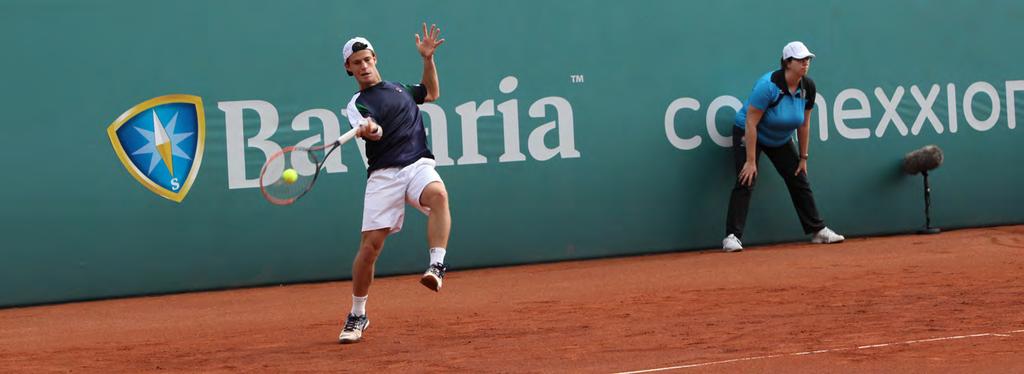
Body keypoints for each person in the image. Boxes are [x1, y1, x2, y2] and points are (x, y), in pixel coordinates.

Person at [337, 23, 450, 344]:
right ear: (349, 68)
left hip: (417, 164)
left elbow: (431, 93)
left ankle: (437, 266)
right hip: (384, 174)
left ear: (375, 59)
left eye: (367, 59)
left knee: (438, 194)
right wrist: (369, 128)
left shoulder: (401, 89)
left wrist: (428, 60)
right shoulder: (357, 103)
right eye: (357, 62)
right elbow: (369, 128)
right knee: (370, 249)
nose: (364, 65)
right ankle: (358, 313)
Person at [722, 41, 845, 252]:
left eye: (808, 59)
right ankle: (731, 237)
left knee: (798, 177)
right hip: (751, 131)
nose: (805, 63)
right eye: (800, 60)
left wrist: (803, 158)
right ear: (788, 63)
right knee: (746, 178)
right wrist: (751, 161)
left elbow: (804, 123)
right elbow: (751, 122)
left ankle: (817, 231)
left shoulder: (808, 87)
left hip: (779, 138)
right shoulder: (768, 86)